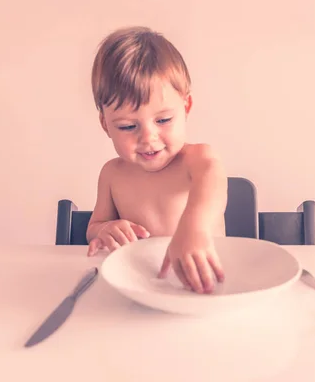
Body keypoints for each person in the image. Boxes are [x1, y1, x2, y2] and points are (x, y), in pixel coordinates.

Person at [86, 26, 226, 294]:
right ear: (106, 125)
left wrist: (194, 228)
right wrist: (105, 230)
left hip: (203, 284)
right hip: (139, 285)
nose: (148, 138)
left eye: (163, 120)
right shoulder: (112, 174)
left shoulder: (196, 159)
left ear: (185, 108)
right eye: (128, 126)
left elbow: (214, 180)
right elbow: (95, 227)